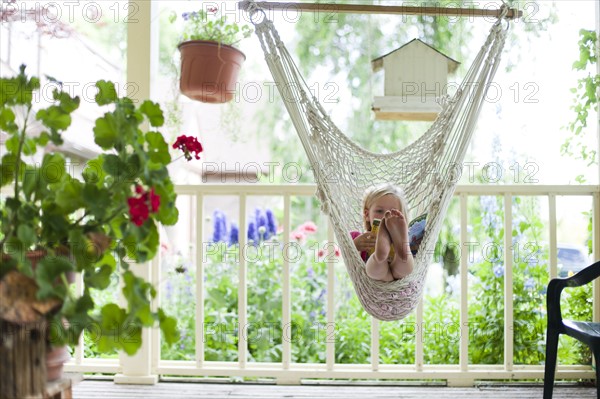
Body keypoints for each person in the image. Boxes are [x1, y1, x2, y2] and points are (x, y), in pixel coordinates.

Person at [351, 184, 414, 282]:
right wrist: (355, 246)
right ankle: (380, 256)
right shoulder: (359, 238)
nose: (385, 216)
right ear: (367, 214)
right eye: (379, 211)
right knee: (381, 271)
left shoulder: (411, 237)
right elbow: (347, 253)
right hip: (374, 283)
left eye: (393, 212)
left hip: (401, 282)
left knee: (402, 267)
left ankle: (401, 251)